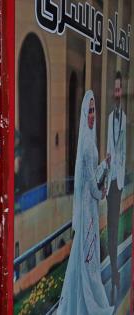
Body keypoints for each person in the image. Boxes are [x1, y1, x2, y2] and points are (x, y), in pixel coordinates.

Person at [57, 91, 113, 315]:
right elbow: (91, 186)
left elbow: (89, 179)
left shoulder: (88, 140)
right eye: (89, 111)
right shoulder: (88, 146)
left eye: (94, 110)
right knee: (89, 265)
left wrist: (104, 166)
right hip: (88, 214)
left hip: (87, 212)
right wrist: (102, 194)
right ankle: (90, 307)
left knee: (84, 263)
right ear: (83, 114)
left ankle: (79, 307)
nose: (92, 115)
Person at [106, 71, 126, 304]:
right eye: (116, 89)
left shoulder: (126, 118)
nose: (117, 93)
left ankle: (115, 274)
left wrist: (120, 174)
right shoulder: (110, 118)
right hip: (111, 180)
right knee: (111, 230)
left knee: (115, 229)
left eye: (120, 89)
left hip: (119, 181)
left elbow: (124, 151)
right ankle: (115, 275)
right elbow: (111, 150)